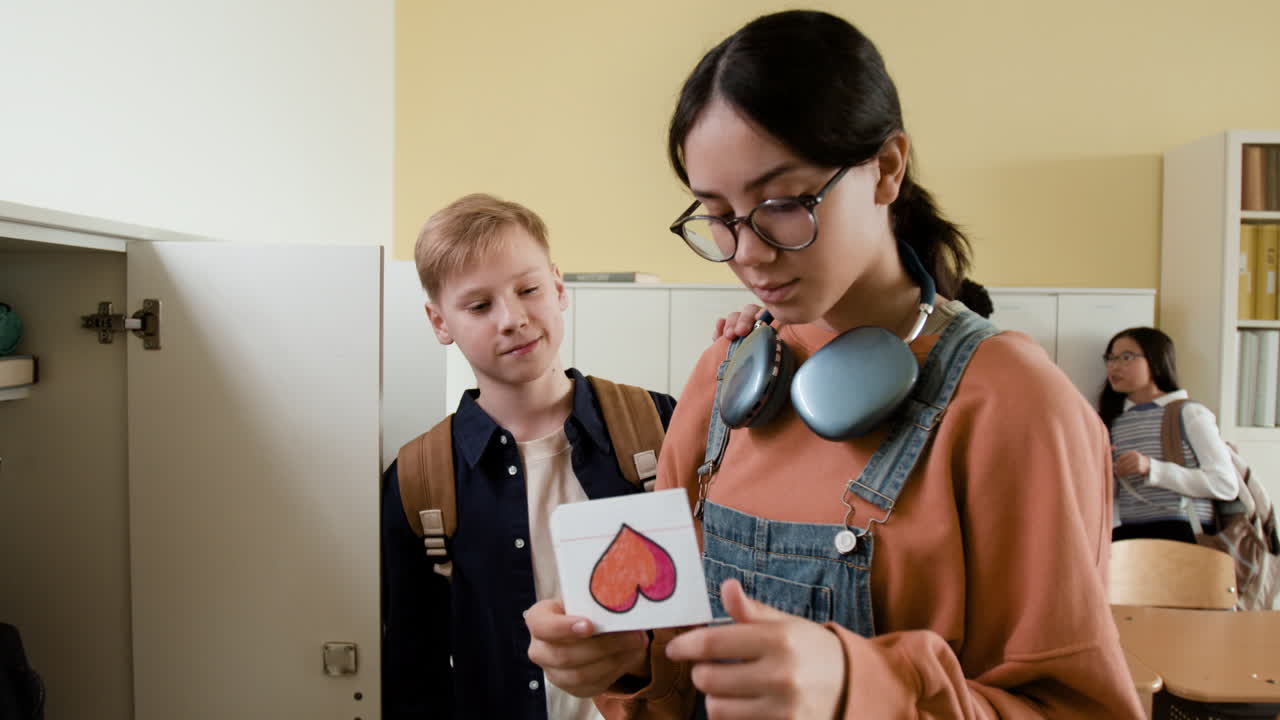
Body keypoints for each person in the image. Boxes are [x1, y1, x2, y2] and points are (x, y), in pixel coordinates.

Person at [526, 10, 1144, 719]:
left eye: (783, 203)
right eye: (718, 214)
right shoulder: (721, 378)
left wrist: (857, 687)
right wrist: (631, 661)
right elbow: (678, 667)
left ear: (885, 169)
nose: (747, 252)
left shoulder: (1017, 407)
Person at [381, 193, 677, 720]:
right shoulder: (417, 479)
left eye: (529, 289)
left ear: (559, 287)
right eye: (479, 305)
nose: (513, 318)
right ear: (439, 321)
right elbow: (413, 671)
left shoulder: (661, 424)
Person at [1100, 326, 1239, 544]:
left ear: (1156, 360)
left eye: (1126, 357)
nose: (1114, 366)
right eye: (1110, 358)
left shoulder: (1188, 412)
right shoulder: (1113, 422)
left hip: (1184, 535)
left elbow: (1225, 485)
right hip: (1130, 536)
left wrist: (1151, 467)